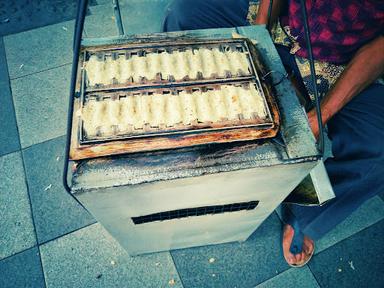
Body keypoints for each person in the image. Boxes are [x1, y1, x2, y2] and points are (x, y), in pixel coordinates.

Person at [162, 0, 384, 267]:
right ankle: (181, 111)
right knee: (184, 13)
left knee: (379, 150)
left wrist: (318, 116)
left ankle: (305, 216)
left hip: (344, 59)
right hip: (283, 22)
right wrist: (258, 34)